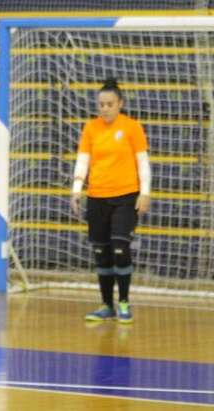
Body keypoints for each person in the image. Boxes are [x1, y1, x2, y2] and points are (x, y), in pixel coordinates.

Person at [71, 78, 151, 324]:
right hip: (97, 198)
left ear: (120, 104)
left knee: (120, 248)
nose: (104, 108)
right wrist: (76, 189)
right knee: (101, 252)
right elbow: (83, 160)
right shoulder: (91, 128)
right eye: (101, 104)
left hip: (126, 197)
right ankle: (107, 305)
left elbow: (142, 162)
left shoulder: (132, 127)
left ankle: (124, 302)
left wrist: (145, 192)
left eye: (109, 103)